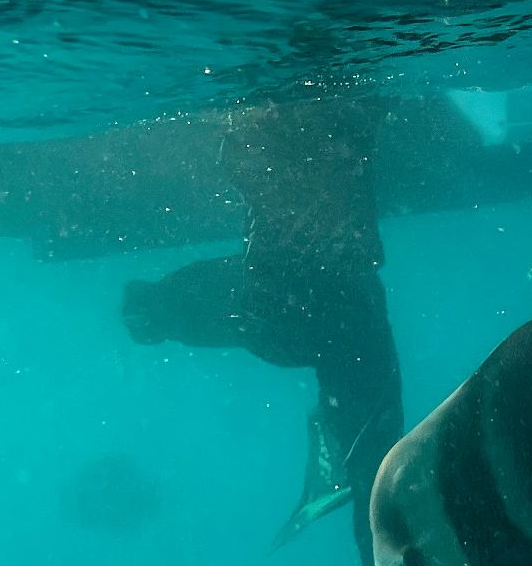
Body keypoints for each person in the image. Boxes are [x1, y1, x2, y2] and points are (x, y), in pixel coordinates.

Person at [121, 96, 403, 566]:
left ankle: (357, 483)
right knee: (374, 452)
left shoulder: (275, 145)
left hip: (318, 301)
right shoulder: (305, 143)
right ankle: (357, 482)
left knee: (373, 452)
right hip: (329, 300)